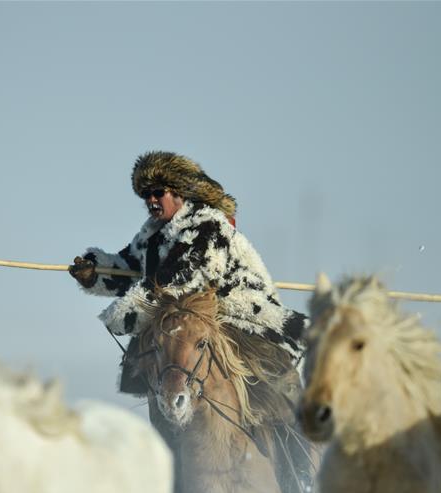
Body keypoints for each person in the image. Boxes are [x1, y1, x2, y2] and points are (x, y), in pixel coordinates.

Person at [69, 150, 306, 373]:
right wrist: (94, 272)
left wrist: (120, 315)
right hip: (183, 316)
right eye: (146, 195)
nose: (151, 200)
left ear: (179, 193)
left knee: (273, 374)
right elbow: (129, 269)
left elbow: (174, 283)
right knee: (144, 365)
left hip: (236, 313)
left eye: (158, 192)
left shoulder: (208, 226)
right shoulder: (152, 234)